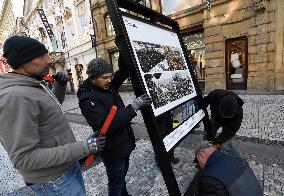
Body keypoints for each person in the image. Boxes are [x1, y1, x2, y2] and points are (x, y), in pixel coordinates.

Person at [0, 36, 106, 195]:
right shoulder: (14, 97)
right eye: (42, 56)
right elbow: (25, 159)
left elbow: (49, 109)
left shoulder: (32, 83)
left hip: (65, 168)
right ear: (23, 60)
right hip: (54, 179)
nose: (48, 60)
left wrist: (60, 87)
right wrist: (84, 147)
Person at [77, 57, 151, 196]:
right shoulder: (87, 99)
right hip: (112, 151)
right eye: (105, 77)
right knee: (116, 184)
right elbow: (106, 125)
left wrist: (123, 49)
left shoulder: (108, 86)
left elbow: (123, 72)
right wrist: (133, 107)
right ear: (93, 77)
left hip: (124, 144)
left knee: (121, 178)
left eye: (110, 77)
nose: (110, 81)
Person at [192, 140, 263, 196]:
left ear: (202, 156)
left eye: (198, 162)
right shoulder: (234, 157)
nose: (199, 165)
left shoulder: (208, 179)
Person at [203, 89, 245, 161]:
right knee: (207, 136)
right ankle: (205, 155)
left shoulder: (239, 112)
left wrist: (217, 142)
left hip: (229, 124)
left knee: (224, 144)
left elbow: (231, 130)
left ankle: (222, 159)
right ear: (219, 105)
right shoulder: (214, 95)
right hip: (215, 118)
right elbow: (204, 102)